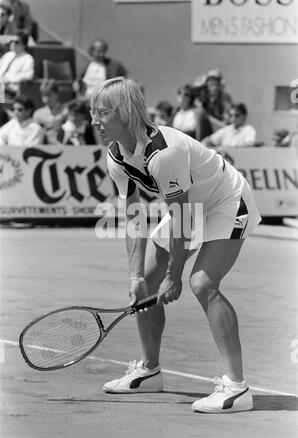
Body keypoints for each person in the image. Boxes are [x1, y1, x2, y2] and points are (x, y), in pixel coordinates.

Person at [90, 77, 261, 414]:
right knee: (144, 288)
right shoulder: (116, 157)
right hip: (189, 206)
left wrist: (175, 275)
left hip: (227, 200)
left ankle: (237, 387)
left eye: (103, 113)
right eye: (93, 113)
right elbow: (135, 219)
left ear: (125, 113)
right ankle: (149, 370)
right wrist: (135, 276)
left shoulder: (163, 153)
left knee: (202, 282)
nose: (94, 121)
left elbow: (182, 220)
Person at [0, 31, 34, 98]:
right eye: (13, 41)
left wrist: (9, 79)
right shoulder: (8, 55)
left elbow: (28, 76)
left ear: (24, 45)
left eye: (17, 42)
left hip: (10, 91)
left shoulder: (28, 59)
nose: (13, 44)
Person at [33, 79, 67, 144]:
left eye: (49, 95)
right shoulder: (37, 114)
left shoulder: (66, 111)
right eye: (44, 95)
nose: (46, 98)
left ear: (56, 94)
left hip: (64, 148)